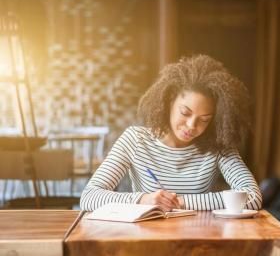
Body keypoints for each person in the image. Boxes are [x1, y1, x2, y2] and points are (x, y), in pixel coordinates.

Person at [80, 55, 262, 211]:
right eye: (185, 113)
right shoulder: (135, 139)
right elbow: (89, 197)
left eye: (204, 119)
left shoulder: (218, 148)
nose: (192, 125)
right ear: (168, 103)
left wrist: (180, 202)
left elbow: (253, 197)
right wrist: (144, 200)